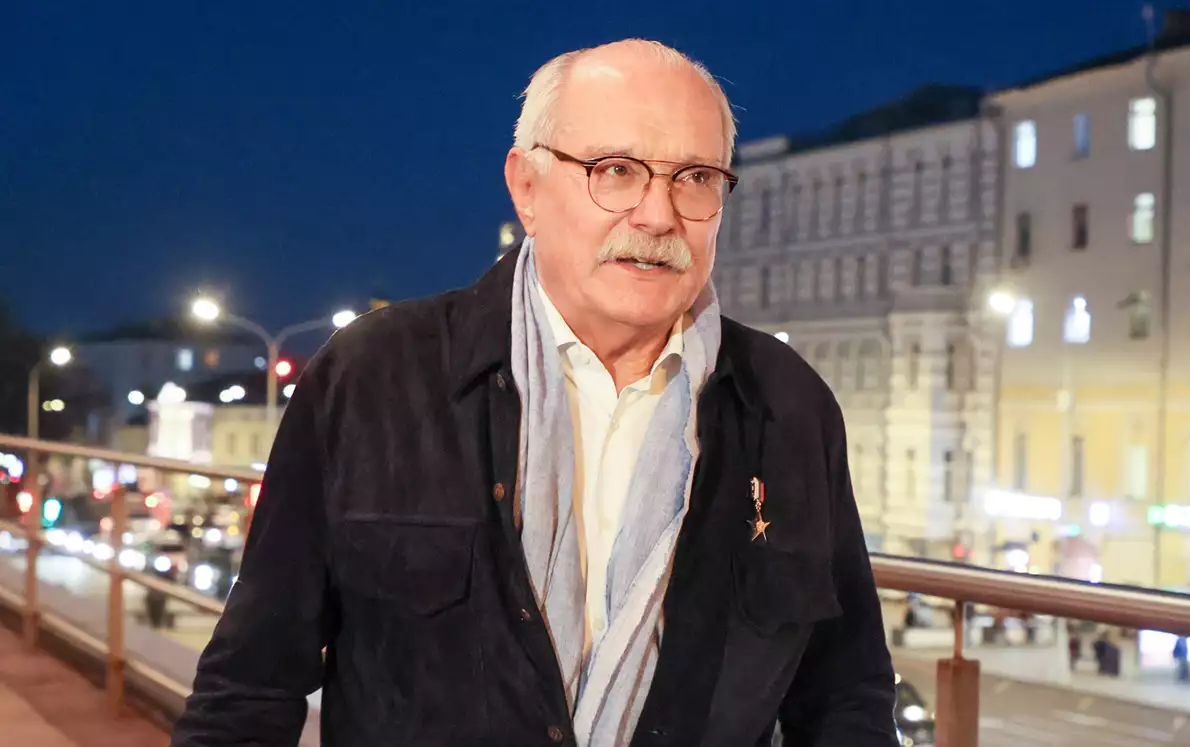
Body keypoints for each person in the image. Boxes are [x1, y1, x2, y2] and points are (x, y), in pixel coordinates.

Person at [170, 39, 896, 747]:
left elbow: (844, 695)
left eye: (695, 177)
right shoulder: (375, 378)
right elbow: (250, 686)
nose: (658, 214)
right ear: (527, 188)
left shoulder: (787, 405)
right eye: (616, 170)